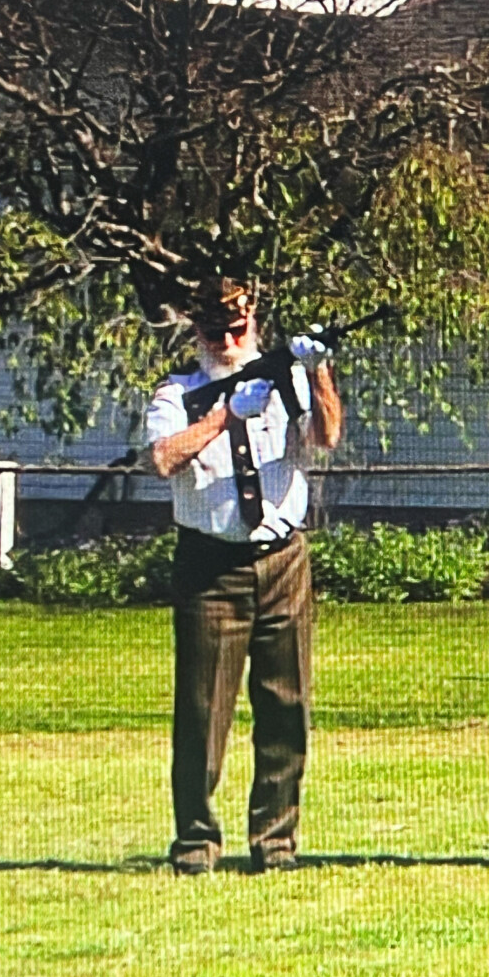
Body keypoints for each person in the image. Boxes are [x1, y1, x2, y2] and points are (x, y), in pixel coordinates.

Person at [145, 276, 342, 874]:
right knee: (203, 710)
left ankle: (276, 840)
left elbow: (326, 435)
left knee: (287, 702)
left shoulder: (282, 378)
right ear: (196, 331)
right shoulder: (177, 393)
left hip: (282, 558)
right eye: (214, 331)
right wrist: (225, 417)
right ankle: (197, 841)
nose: (227, 340)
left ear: (252, 319)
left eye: (237, 328)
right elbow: (161, 459)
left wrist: (318, 372)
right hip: (211, 563)